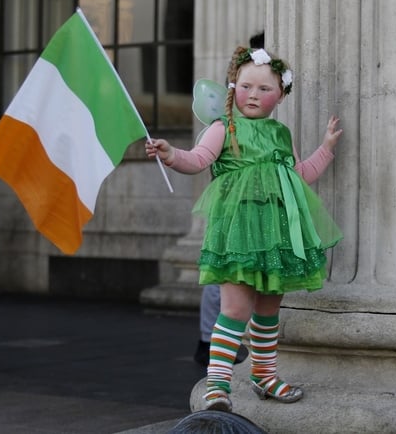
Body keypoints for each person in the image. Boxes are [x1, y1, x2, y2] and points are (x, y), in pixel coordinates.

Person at [146, 45, 342, 413]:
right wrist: (171, 154)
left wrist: (326, 149)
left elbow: (299, 177)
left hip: (276, 235)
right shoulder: (223, 128)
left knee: (269, 310)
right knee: (235, 308)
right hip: (237, 234)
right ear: (232, 87)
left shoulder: (281, 134)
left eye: (265, 89)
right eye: (246, 86)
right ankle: (218, 385)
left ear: (280, 95)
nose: (254, 95)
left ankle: (264, 375)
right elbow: (197, 159)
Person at [194, 31, 265, 368]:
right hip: (233, 189)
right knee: (226, 269)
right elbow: (197, 158)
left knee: (236, 271)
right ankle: (211, 344)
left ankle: (217, 344)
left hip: (256, 196)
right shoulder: (229, 113)